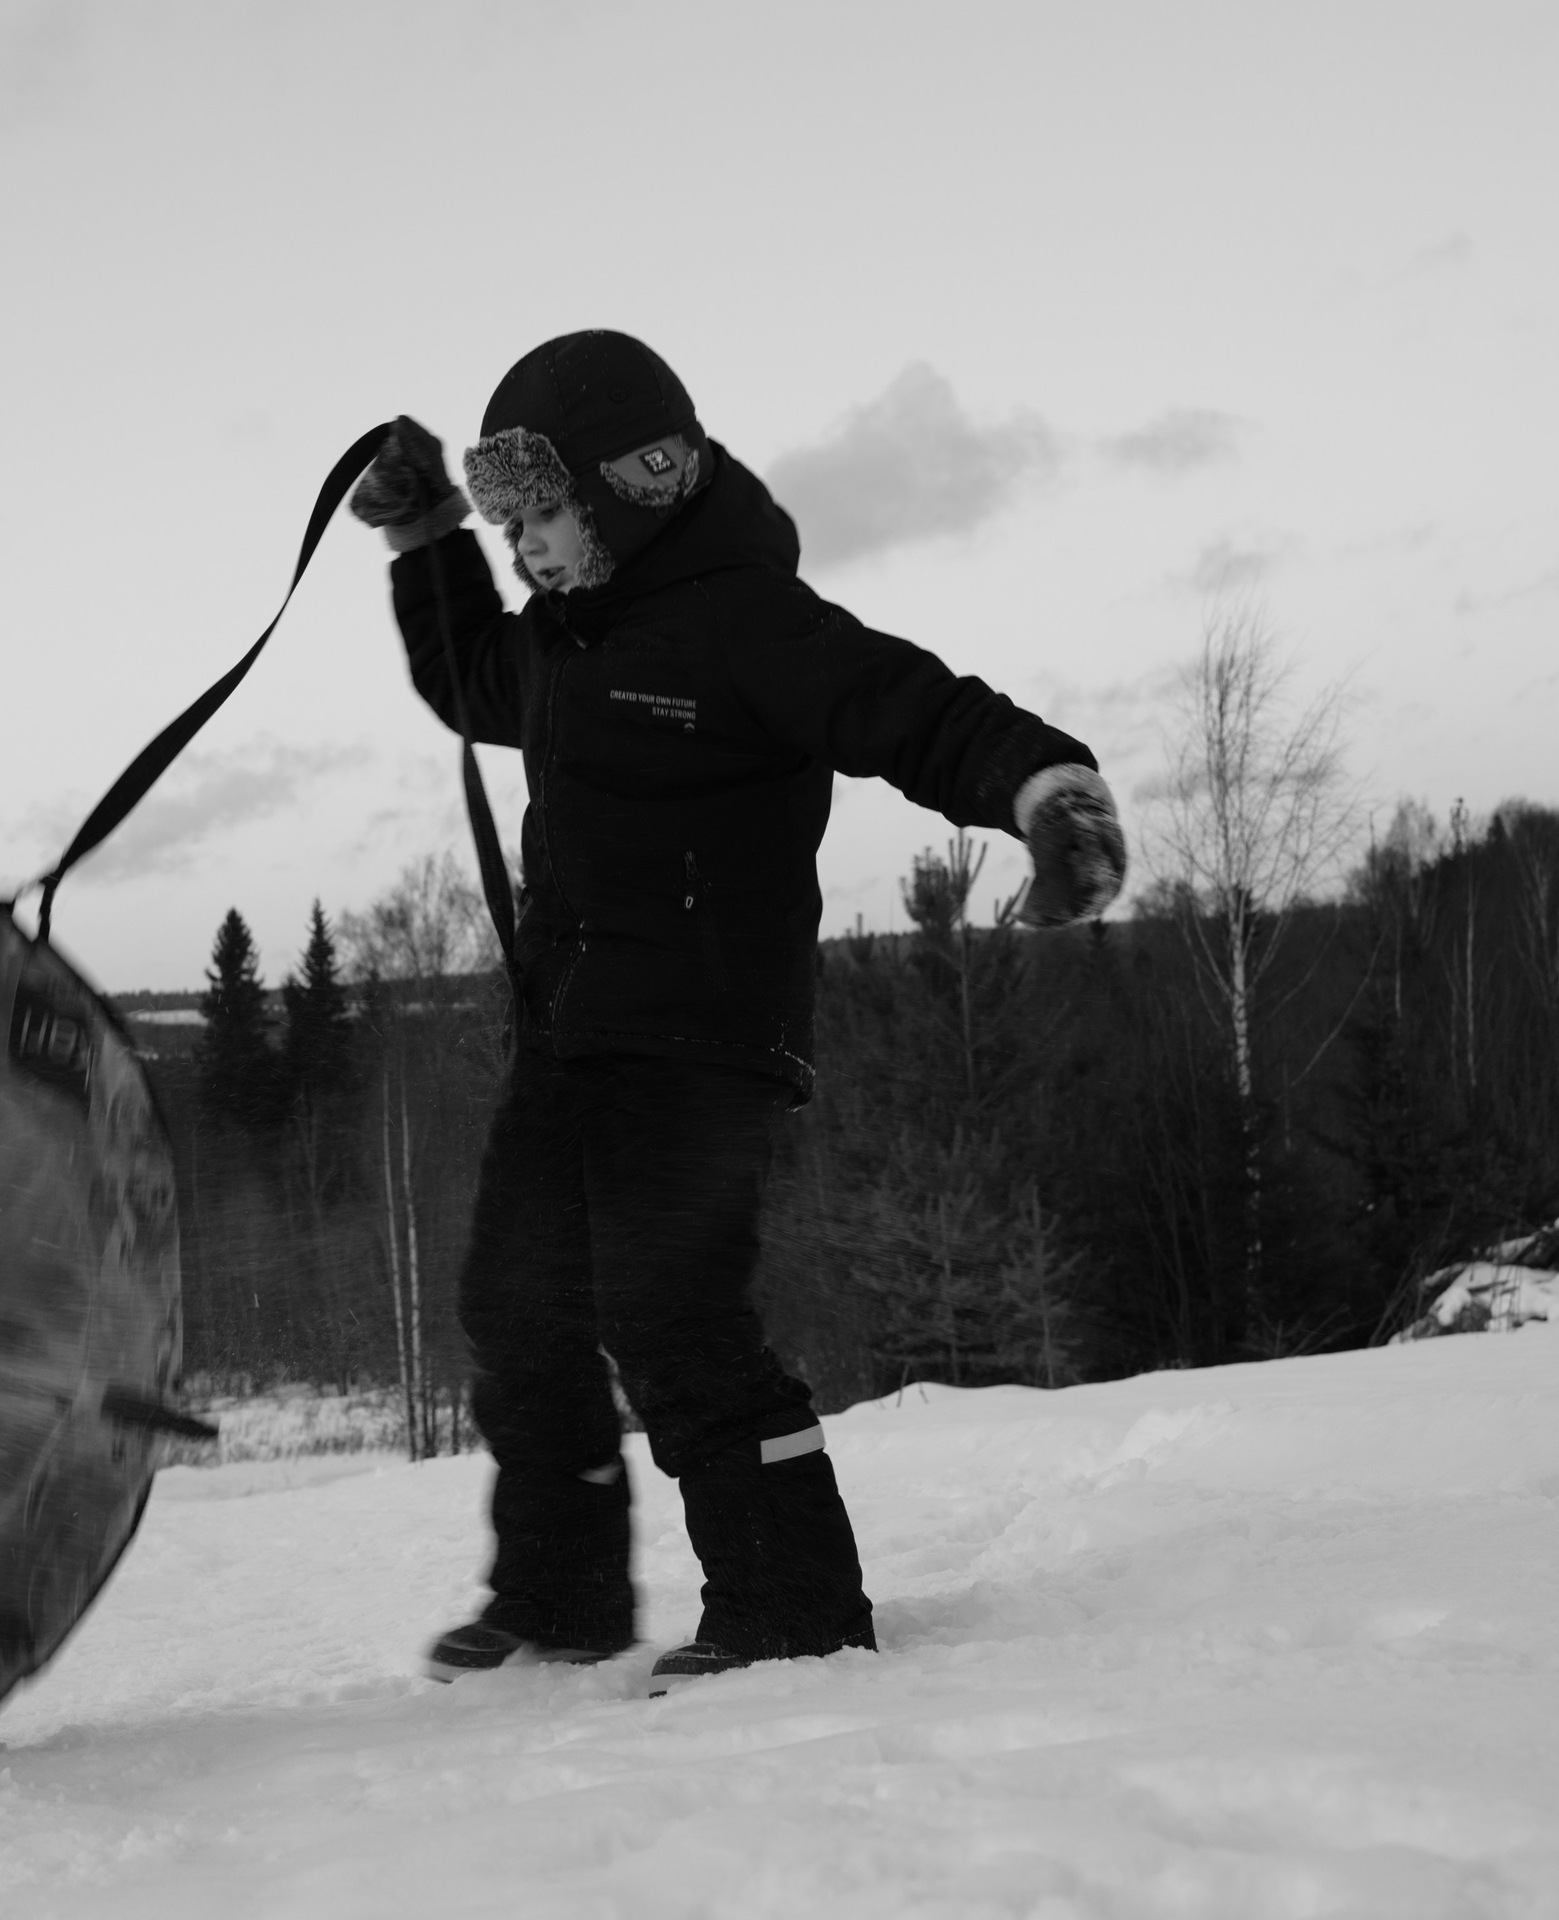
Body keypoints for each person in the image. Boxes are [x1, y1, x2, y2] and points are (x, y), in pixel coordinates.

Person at [348, 330, 1124, 1690]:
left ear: (636, 482)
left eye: (543, 514)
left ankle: (792, 1605)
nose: (525, 547)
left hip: (702, 1036)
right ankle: (563, 1592)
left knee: (671, 1315)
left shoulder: (745, 619)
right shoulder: (567, 638)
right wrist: (425, 545)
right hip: (572, 1029)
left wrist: (1045, 789)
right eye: (510, 523)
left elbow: (915, 712)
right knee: (517, 1306)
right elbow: (475, 681)